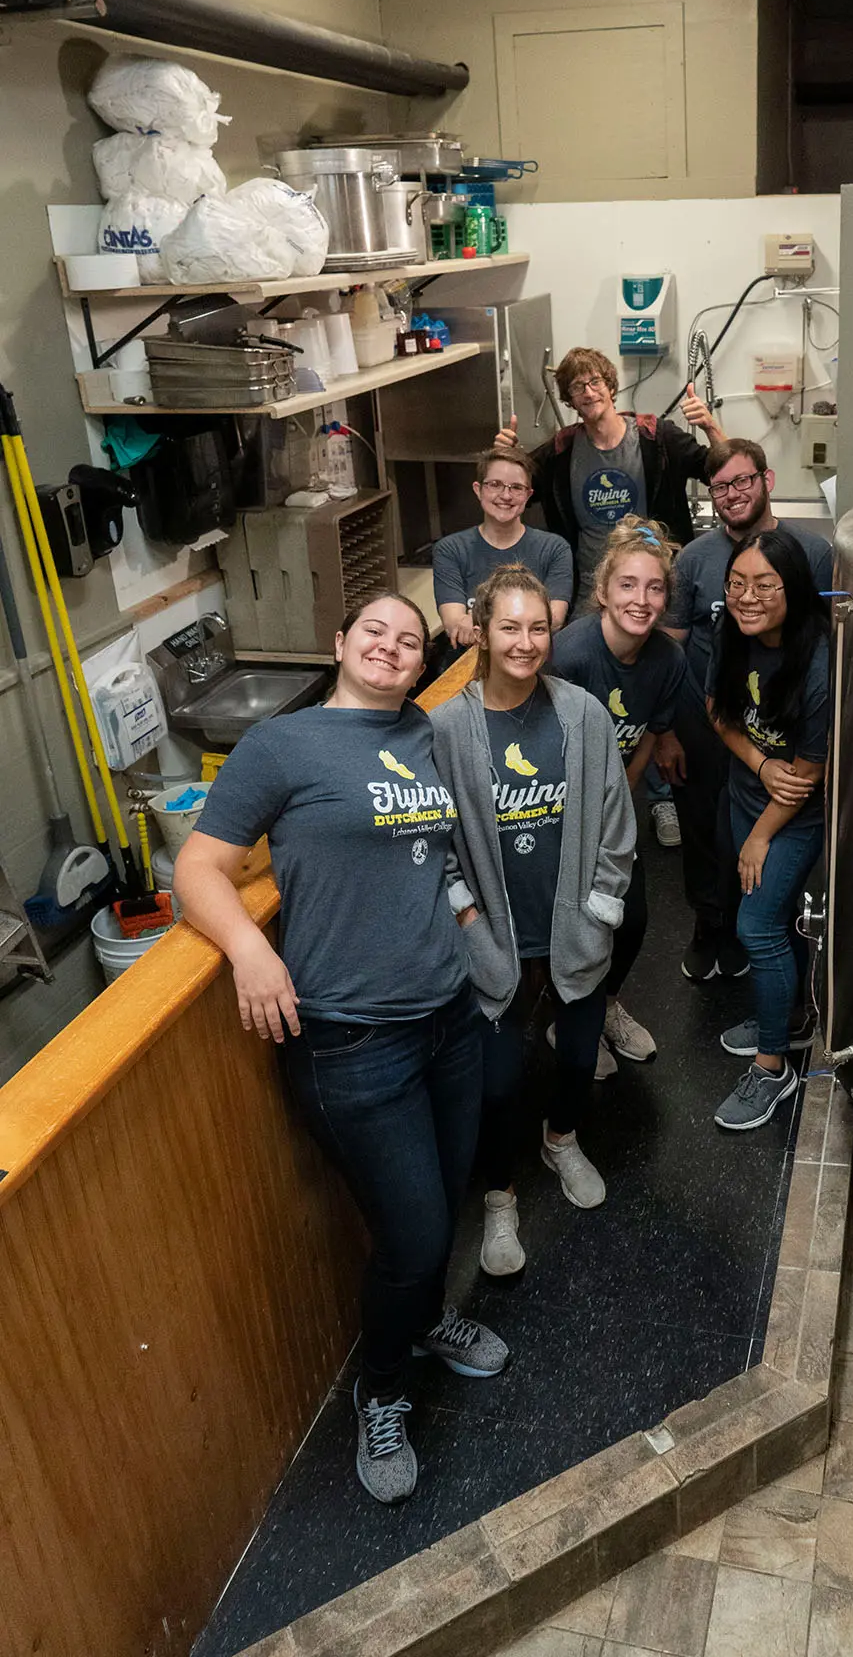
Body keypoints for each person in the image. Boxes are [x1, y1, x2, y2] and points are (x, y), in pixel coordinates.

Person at [173, 595, 506, 1507]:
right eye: (376, 634)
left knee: (445, 1200)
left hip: (446, 1017)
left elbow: (432, 858)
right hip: (352, 1043)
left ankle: (433, 1319)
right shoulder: (284, 746)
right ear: (340, 646)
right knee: (416, 1232)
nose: (393, 649)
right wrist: (249, 950)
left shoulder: (424, 739)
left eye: (409, 640)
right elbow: (197, 867)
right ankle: (382, 1391)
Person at [431, 563, 636, 1280]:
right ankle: (499, 1195)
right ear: (481, 634)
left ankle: (562, 1138)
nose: (525, 642)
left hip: (572, 928)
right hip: (492, 937)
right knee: (497, 1084)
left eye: (538, 627)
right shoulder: (447, 731)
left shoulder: (582, 715)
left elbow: (616, 825)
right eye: (509, 627)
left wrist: (601, 910)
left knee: (579, 1058)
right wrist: (463, 911)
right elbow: (435, 840)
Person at [493, 345, 723, 852]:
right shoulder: (560, 449)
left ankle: (659, 798)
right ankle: (578, 799)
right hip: (590, 589)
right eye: (577, 387)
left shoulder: (652, 437)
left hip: (648, 583)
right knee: (581, 691)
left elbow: (717, 467)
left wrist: (711, 427)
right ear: (570, 399)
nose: (589, 392)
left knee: (657, 686)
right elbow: (513, 481)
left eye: (596, 381)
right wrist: (504, 451)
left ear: (611, 386)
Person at [664, 437, 832, 987]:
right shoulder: (693, 558)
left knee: (761, 847)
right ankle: (709, 926)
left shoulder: (813, 553)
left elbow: (826, 648)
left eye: (742, 481)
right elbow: (669, 645)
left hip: (781, 729)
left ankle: (752, 936)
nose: (732, 494)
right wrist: (666, 727)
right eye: (719, 487)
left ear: (767, 480)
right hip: (712, 716)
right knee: (705, 832)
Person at [549, 515, 686, 1076]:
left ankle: (604, 1007)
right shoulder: (570, 656)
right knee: (568, 923)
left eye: (655, 588)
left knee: (632, 918)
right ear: (602, 591)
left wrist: (619, 805)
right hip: (552, 809)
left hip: (609, 809)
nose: (642, 599)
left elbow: (650, 734)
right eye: (627, 585)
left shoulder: (667, 660)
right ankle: (568, 1019)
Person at [704, 533, 829, 1132]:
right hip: (745, 795)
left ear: (793, 589)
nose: (746, 598)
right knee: (768, 922)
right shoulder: (732, 633)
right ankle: (791, 1021)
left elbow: (805, 776)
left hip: (793, 817)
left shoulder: (818, 662)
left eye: (764, 586)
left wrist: (760, 836)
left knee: (757, 927)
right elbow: (718, 712)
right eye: (737, 584)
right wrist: (757, 763)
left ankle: (773, 1066)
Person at [432, 447, 573, 653]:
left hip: (531, 659)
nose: (505, 495)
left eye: (516, 487)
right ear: (478, 489)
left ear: (528, 495)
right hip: (469, 666)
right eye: (495, 485)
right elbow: (455, 623)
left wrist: (479, 620)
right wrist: (527, 624)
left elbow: (555, 618)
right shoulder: (450, 550)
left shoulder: (554, 549)